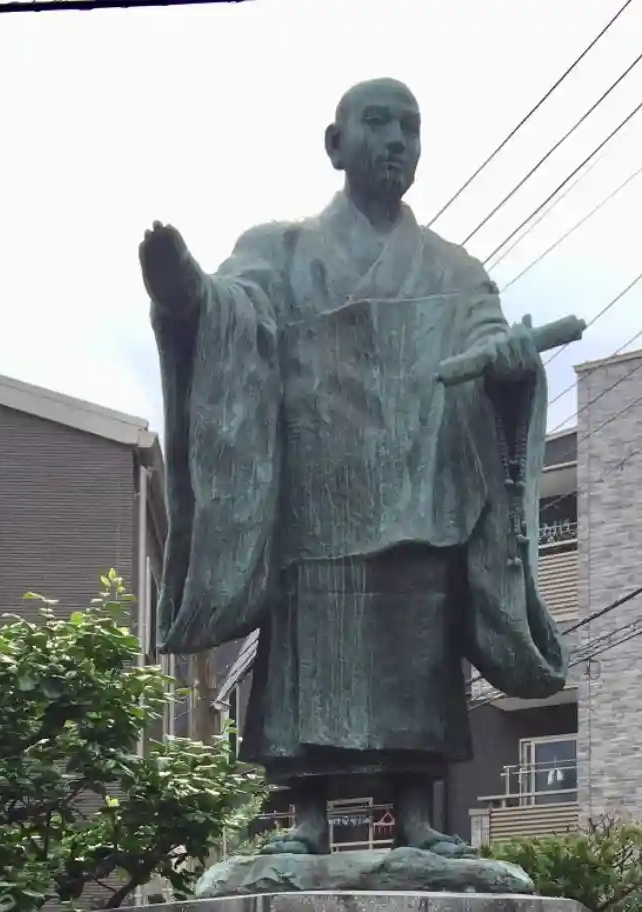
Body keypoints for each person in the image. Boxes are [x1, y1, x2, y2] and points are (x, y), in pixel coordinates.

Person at [141, 76, 567, 857]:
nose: (397, 140)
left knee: (416, 650)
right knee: (309, 654)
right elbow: (230, 314)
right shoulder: (278, 250)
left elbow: (491, 345)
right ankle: (305, 819)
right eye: (378, 123)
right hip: (317, 494)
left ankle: (416, 815)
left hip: (418, 496)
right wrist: (185, 296)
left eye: (411, 126)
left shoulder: (458, 272)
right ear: (335, 144)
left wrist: (511, 368)